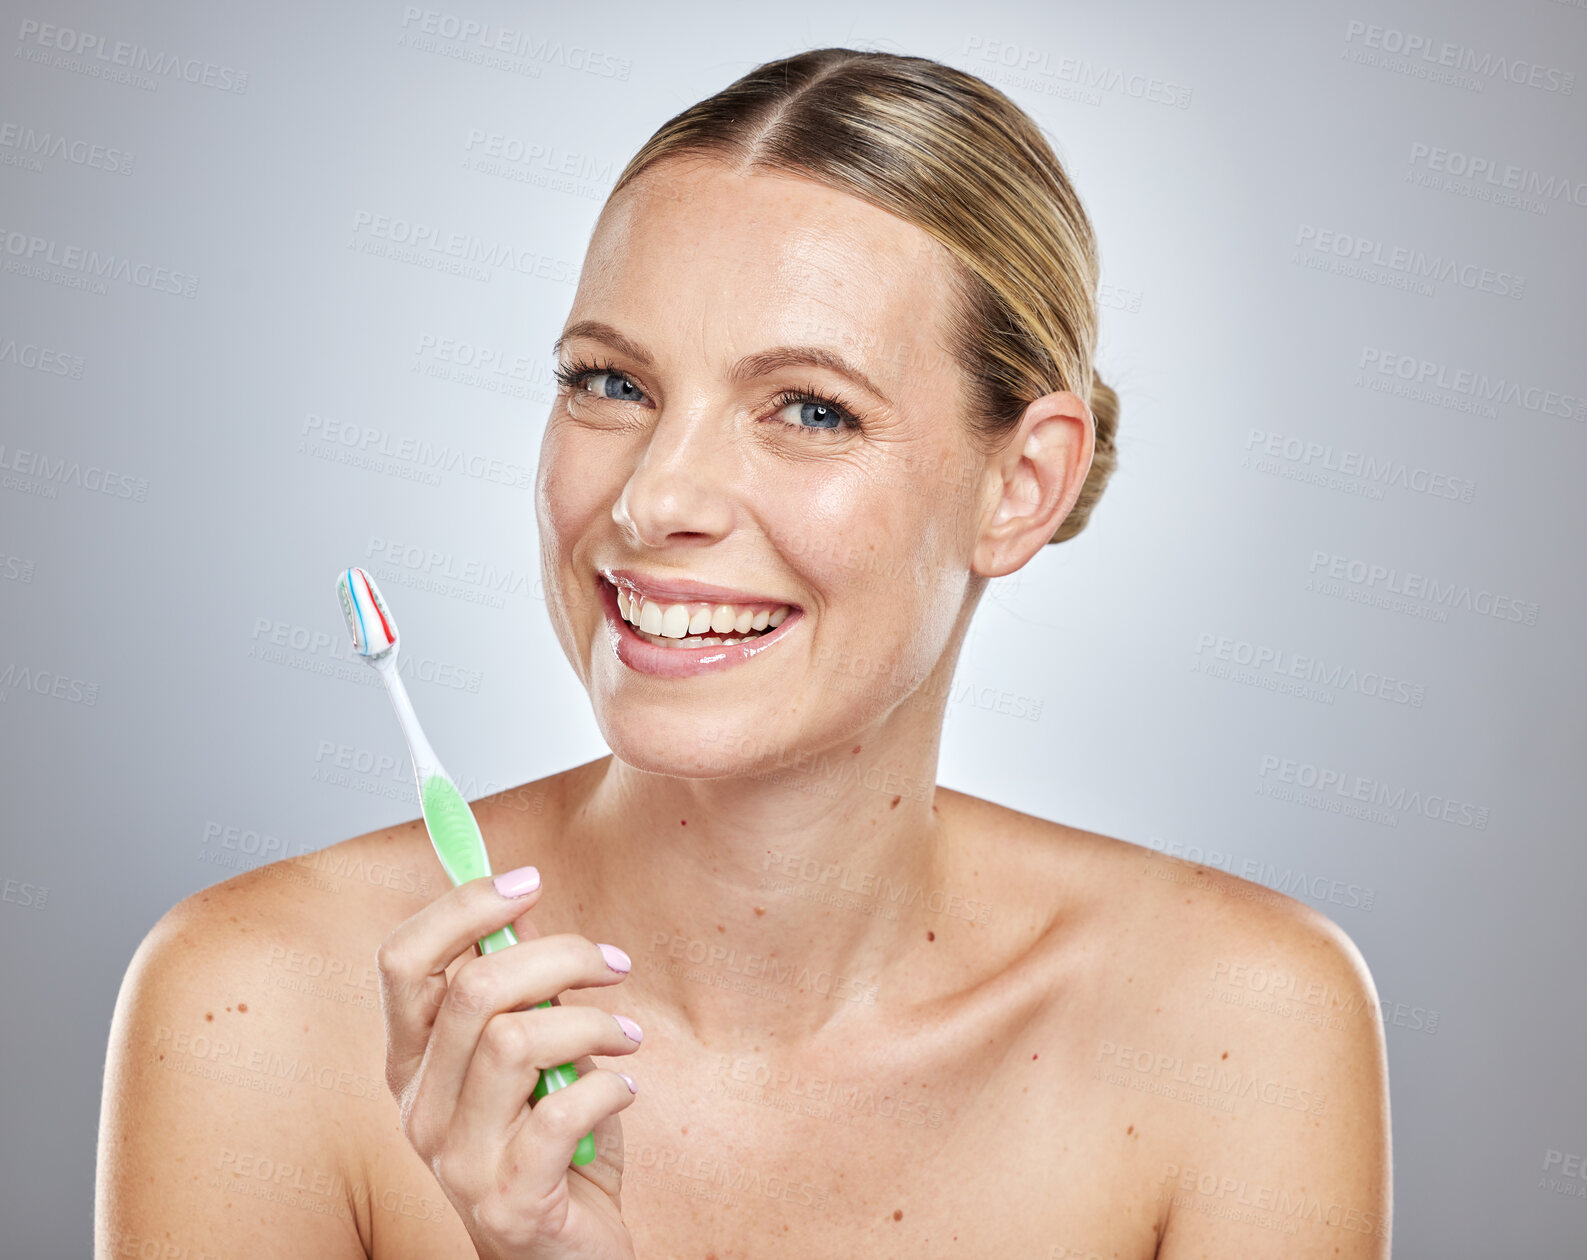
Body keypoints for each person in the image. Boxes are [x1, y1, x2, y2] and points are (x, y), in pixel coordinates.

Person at [96, 47, 1390, 1259]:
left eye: (809, 409)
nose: (656, 497)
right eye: (610, 384)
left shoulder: (1238, 1030)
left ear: (1022, 486)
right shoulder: (252, 1010)